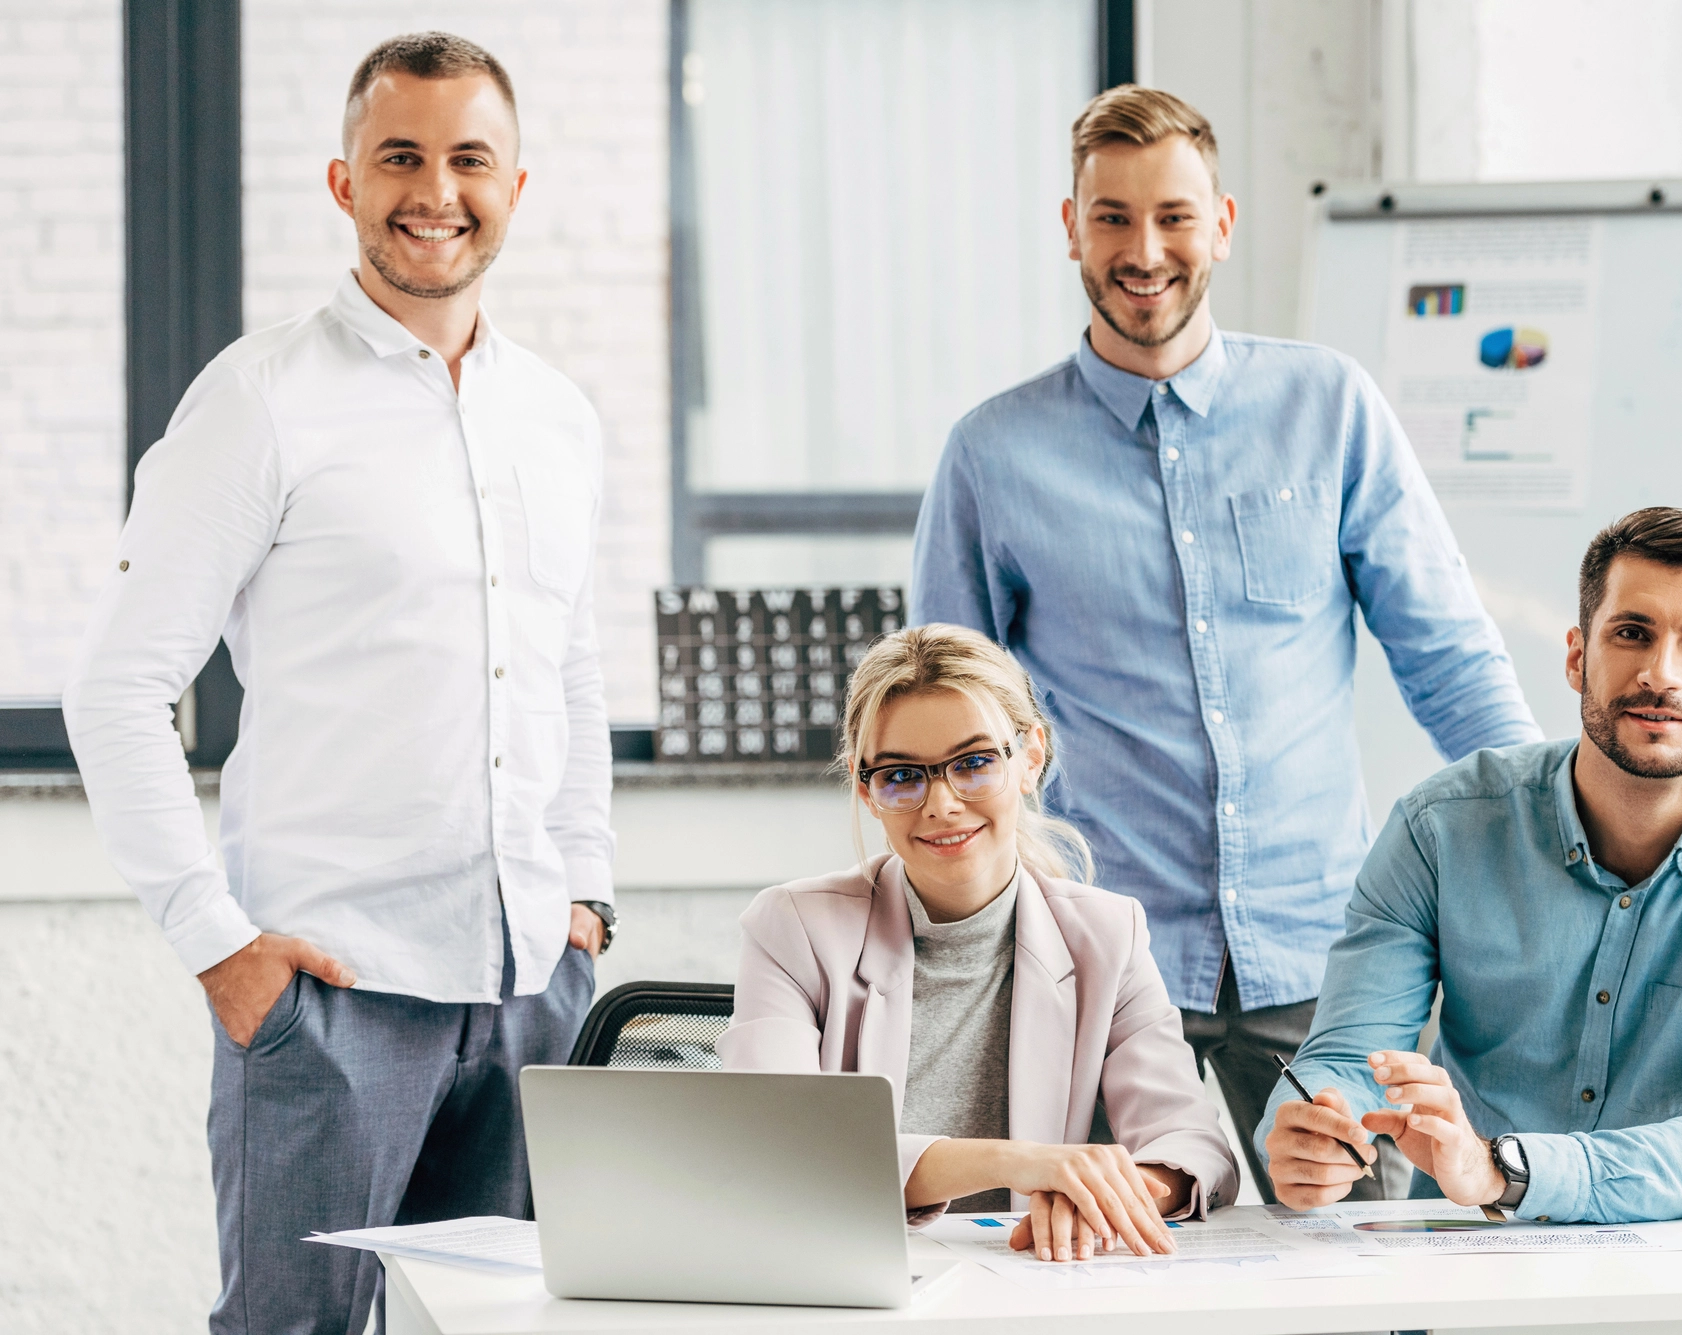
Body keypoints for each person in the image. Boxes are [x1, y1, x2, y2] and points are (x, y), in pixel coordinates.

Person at [62, 33, 617, 1334]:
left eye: (469, 158)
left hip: (532, 983)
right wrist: (222, 946)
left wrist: (584, 892)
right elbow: (118, 687)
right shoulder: (259, 400)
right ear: (343, 181)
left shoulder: (559, 416)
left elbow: (571, 664)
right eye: (400, 157)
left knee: (500, 1326)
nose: (436, 189)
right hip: (330, 999)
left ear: (517, 186)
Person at [909, 83, 1541, 1201]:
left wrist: (1553, 839)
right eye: (1110, 217)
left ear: (1223, 224)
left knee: (1357, 1264)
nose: (1142, 250)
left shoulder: (1328, 407)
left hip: (1321, 950)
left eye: (1172, 216)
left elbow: (1445, 656)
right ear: (1070, 228)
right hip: (1093, 951)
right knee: (1083, 1257)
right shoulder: (991, 455)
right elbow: (939, 731)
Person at [1258, 508, 1682, 1255]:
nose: (1662, 673)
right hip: (1477, 1266)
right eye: (1632, 633)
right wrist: (1313, 1126)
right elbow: (1348, 1058)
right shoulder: (1441, 829)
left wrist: (1504, 1170)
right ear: (1576, 657)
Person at [719, 624, 1238, 1262]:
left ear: (1030, 757)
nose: (941, 804)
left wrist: (1115, 1194)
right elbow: (774, 1144)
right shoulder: (793, 927)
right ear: (866, 789)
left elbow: (1192, 1144)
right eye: (902, 775)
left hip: (1037, 1280)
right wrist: (1022, 1165)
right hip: (852, 1275)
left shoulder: (1108, 934)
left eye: (973, 763)